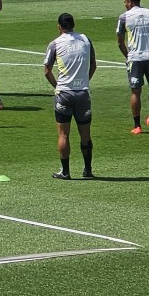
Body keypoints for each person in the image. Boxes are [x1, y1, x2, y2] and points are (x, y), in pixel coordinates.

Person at [44, 12, 96, 180]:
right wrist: (84, 81)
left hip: (64, 94)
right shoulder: (86, 40)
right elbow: (93, 65)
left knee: (63, 134)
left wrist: (58, 86)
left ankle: (65, 172)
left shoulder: (55, 44)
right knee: (85, 134)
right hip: (83, 93)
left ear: (59, 26)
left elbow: (47, 71)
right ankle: (88, 170)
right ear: (73, 24)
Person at [116, 0, 149, 134]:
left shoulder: (124, 17)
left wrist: (128, 56)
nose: (124, 4)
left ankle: (137, 126)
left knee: (135, 92)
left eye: (125, 2)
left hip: (135, 58)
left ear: (129, 2)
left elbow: (120, 42)